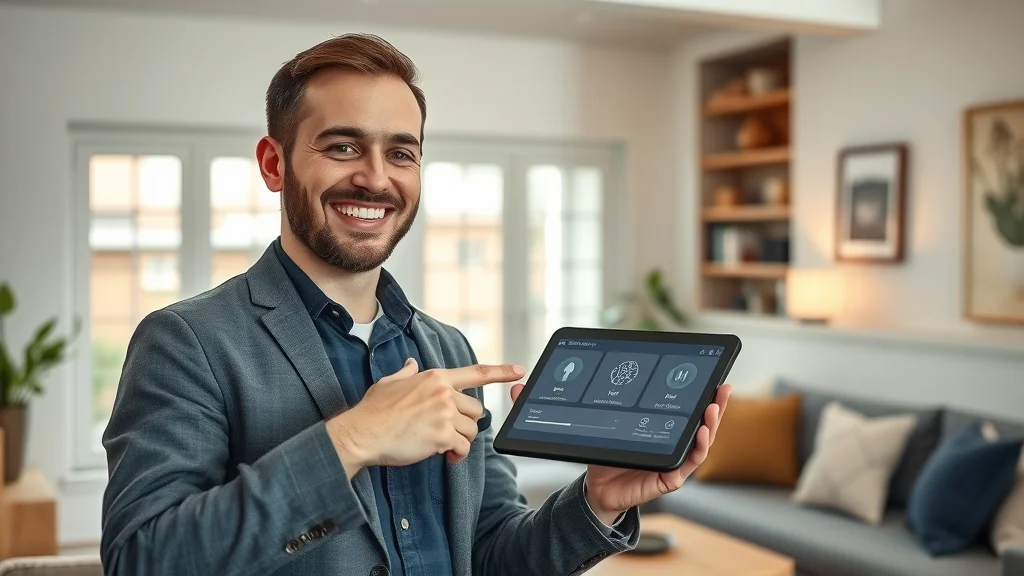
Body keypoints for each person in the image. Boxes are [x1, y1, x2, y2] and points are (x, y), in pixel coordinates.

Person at [100, 33, 732, 576]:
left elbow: (490, 555)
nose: (376, 178)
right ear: (274, 163)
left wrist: (597, 502)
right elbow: (141, 558)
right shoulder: (186, 341)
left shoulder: (448, 351)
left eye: (401, 152)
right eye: (343, 146)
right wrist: (352, 439)